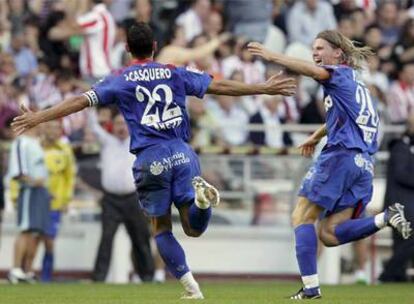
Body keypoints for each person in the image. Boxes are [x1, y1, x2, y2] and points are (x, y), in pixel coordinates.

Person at [11, 22, 296, 299]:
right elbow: (217, 86)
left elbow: (79, 101)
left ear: (127, 48)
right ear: (155, 47)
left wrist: (39, 116)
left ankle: (191, 288)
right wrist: (263, 88)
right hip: (183, 153)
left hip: (150, 157)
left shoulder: (119, 78)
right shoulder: (173, 72)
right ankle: (201, 202)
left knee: (161, 228)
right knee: (193, 228)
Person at [248, 30, 412, 300]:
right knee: (330, 234)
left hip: (341, 157)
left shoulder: (337, 73)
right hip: (363, 165)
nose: (315, 53)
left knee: (302, 216)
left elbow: (313, 72)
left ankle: (311, 288)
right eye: (313, 48)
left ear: (338, 53)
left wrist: (272, 55)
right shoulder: (359, 86)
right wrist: (317, 135)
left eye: (321, 48)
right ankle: (385, 217)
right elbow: (347, 117)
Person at [88, 110, 155, 283]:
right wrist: (91, 108)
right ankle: (99, 278)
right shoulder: (107, 141)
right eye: (118, 123)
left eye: (125, 124)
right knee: (106, 239)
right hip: (110, 200)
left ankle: (148, 276)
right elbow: (93, 126)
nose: (121, 127)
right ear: (112, 126)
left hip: (133, 198)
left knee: (141, 238)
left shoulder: (138, 142)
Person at [7, 125, 50, 284]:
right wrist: (32, 181)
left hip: (41, 191)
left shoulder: (37, 142)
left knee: (36, 232)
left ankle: (27, 270)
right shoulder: (21, 141)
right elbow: (17, 171)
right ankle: (16, 269)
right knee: (25, 228)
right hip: (29, 190)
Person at [39, 120, 76, 282]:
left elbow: (70, 176)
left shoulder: (65, 150)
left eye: (56, 128)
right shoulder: (36, 147)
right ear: (44, 128)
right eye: (50, 127)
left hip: (55, 203)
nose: (53, 131)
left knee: (49, 240)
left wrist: (66, 200)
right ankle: (24, 272)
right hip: (36, 201)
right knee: (32, 239)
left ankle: (46, 277)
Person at [379, 113, 414, 282]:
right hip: (401, 207)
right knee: (408, 242)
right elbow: (401, 175)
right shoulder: (401, 147)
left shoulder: (404, 147)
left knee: (402, 244)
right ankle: (388, 274)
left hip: (404, 207)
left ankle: (397, 275)